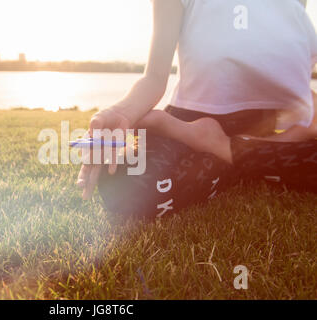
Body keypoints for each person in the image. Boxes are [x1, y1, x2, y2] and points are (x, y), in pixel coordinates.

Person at [77, 0, 317, 218]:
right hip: (187, 124)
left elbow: (292, 75)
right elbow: (154, 78)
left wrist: (302, 126)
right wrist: (122, 112)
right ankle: (257, 157)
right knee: (125, 189)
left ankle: (222, 147)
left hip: (259, 125)